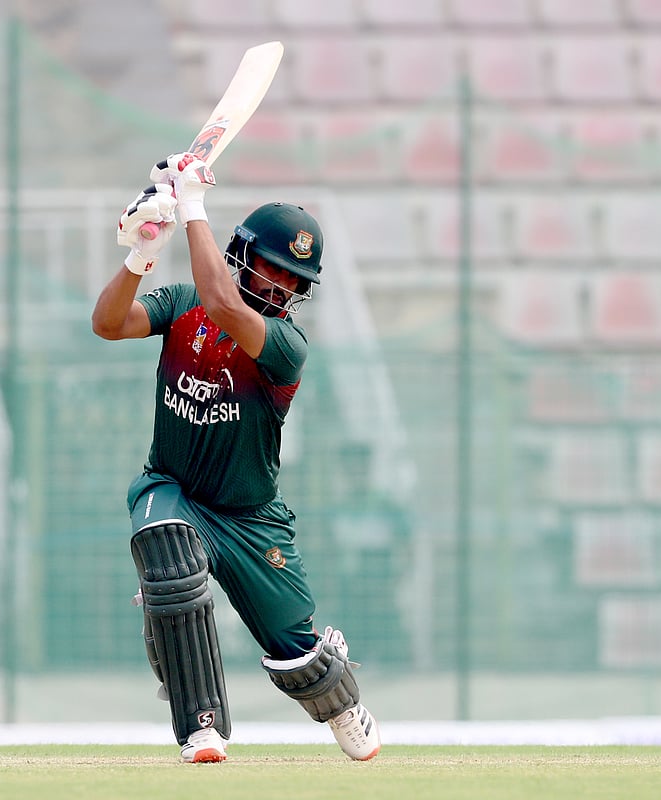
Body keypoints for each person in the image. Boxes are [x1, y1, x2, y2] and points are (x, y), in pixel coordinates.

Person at [91, 153, 381, 764]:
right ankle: (203, 727)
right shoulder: (180, 305)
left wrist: (191, 203)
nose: (281, 287)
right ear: (241, 254)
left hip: (250, 516)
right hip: (173, 487)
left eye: (295, 281)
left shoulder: (284, 344)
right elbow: (108, 323)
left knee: (302, 660)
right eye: (272, 269)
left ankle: (340, 696)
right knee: (170, 562)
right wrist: (140, 255)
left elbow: (225, 306)